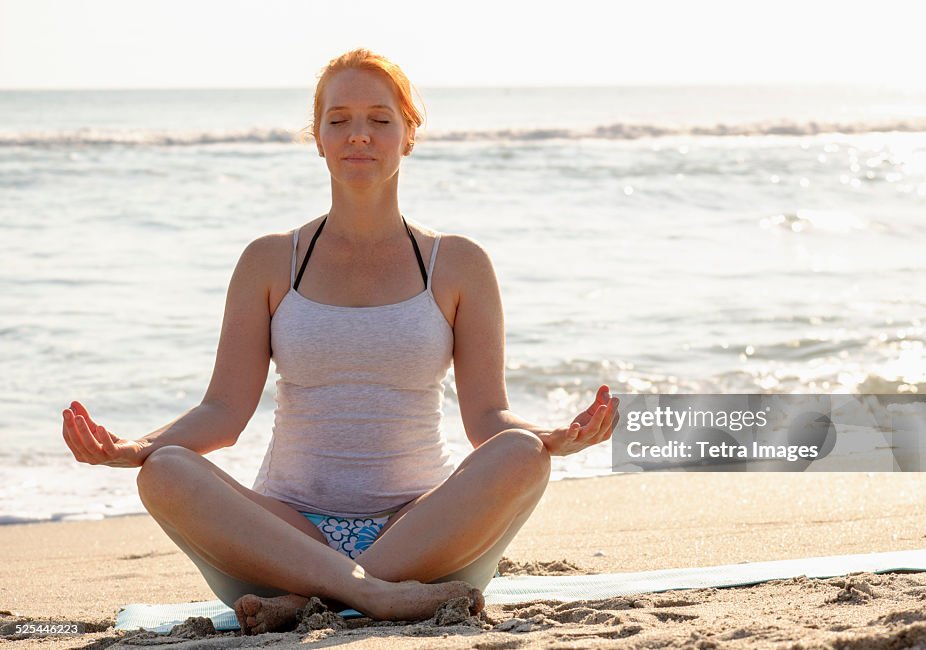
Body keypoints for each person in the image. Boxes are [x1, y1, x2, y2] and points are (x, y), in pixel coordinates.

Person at [60, 48, 620, 635]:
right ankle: (372, 596)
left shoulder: (458, 263)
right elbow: (223, 413)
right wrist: (135, 448)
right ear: (318, 136)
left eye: (380, 120)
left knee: (520, 455)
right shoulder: (270, 260)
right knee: (165, 471)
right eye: (339, 120)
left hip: (420, 534)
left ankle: (311, 601)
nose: (359, 136)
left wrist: (551, 435)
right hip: (283, 536)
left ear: (408, 134)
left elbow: (486, 416)